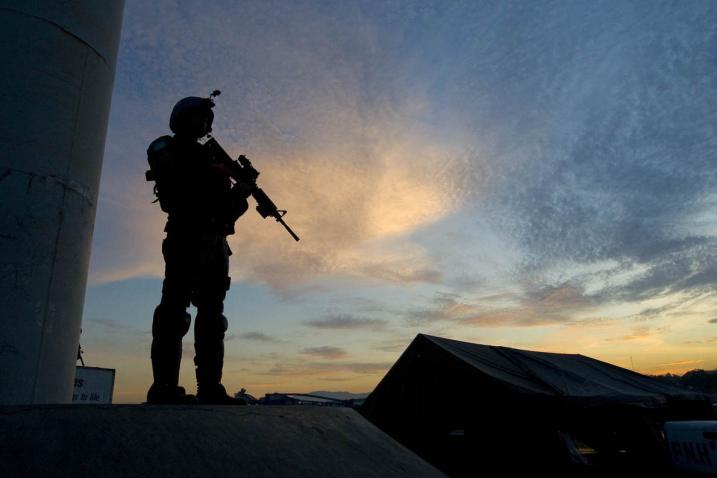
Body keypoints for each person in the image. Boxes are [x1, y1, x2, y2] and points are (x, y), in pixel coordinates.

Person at [145, 94, 251, 404]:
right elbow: (179, 194)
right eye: (198, 117)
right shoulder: (166, 148)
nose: (204, 124)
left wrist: (240, 195)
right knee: (174, 313)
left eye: (207, 120)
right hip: (186, 237)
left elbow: (223, 212)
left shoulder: (213, 162)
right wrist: (221, 177)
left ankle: (210, 387)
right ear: (181, 120)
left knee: (212, 318)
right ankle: (164, 388)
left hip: (215, 243)